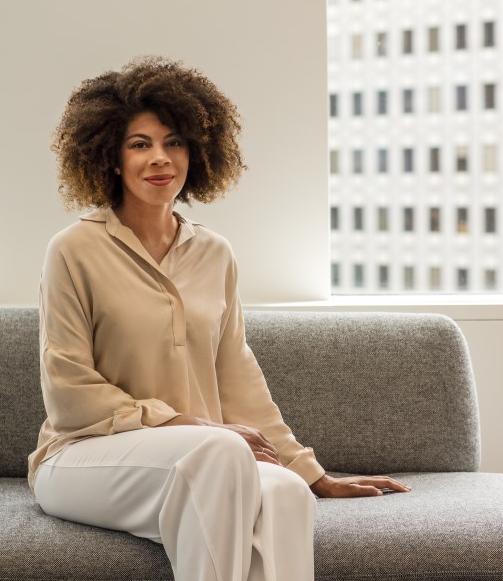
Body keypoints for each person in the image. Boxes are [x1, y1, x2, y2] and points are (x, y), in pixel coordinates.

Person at [28, 56, 410, 581]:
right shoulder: (72, 250)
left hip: (208, 458)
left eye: (174, 142)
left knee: (281, 493)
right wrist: (196, 426)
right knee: (221, 451)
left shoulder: (215, 254)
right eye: (140, 144)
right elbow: (68, 390)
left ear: (197, 152)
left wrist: (309, 472)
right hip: (84, 459)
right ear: (111, 157)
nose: (160, 158)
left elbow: (238, 377)